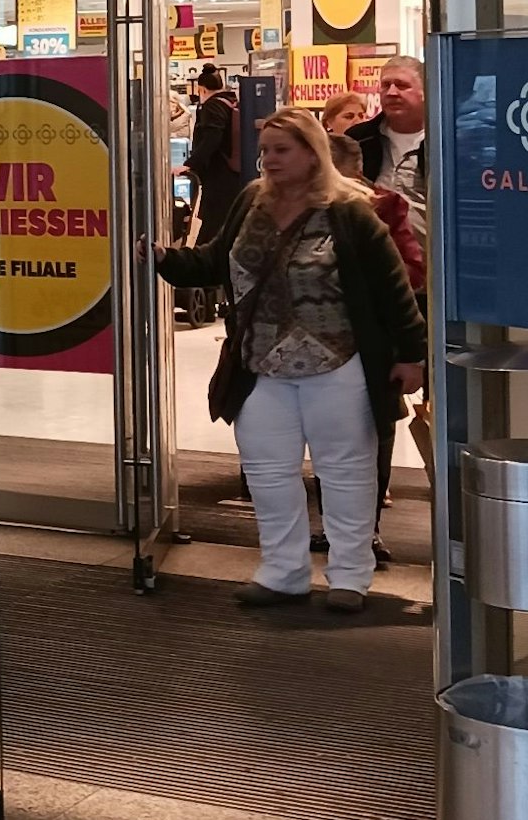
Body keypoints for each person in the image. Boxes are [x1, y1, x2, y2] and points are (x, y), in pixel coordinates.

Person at [154, 109, 425, 614]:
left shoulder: (352, 211)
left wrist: (411, 355)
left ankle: (350, 576)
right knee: (267, 472)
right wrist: (161, 258)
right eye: (266, 151)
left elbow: (393, 291)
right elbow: (216, 261)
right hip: (260, 364)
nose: (270, 160)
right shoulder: (251, 201)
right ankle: (283, 572)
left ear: (312, 151)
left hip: (339, 363)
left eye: (283, 150)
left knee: (345, 471)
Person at [343, 55, 433, 481]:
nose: (391, 92)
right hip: (376, 287)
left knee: (442, 391)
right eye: (385, 85)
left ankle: (449, 497)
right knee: (378, 394)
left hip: (436, 284)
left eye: (401, 85)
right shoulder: (359, 140)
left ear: (424, 89)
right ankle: (372, 497)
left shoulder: (449, 137)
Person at [183, 65, 243, 244]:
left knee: (213, 220)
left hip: (219, 173)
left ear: (201, 89)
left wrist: (190, 164)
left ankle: (202, 259)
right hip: (231, 173)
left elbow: (212, 138)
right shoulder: (230, 101)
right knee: (219, 219)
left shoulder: (212, 106)